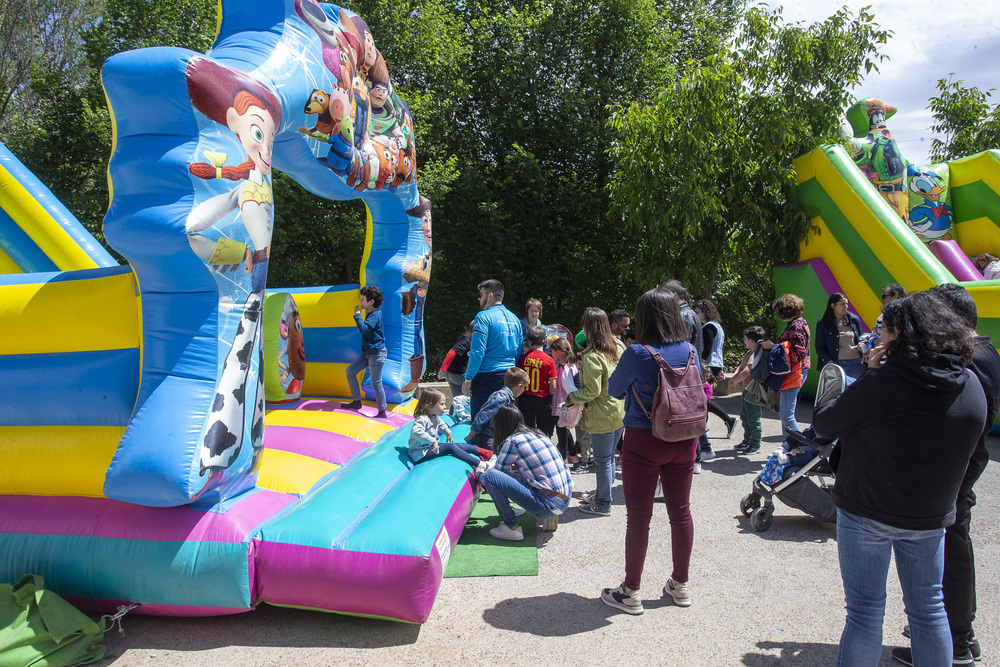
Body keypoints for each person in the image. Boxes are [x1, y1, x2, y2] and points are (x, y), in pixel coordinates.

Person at [812, 291, 987, 667]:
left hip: (867, 512)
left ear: (902, 334)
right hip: (930, 516)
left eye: (885, 331)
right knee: (929, 610)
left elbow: (825, 424)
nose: (880, 338)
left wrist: (872, 375)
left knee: (864, 614)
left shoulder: (886, 382)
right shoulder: (969, 384)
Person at [891, 284, 1000, 666]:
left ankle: (957, 640)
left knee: (950, 543)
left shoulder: (968, 358)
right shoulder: (987, 352)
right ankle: (949, 630)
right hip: (966, 460)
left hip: (952, 465)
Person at [599, 288, 701, 615]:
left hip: (644, 440)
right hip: (686, 439)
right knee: (680, 511)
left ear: (644, 317)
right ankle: (680, 585)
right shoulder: (690, 350)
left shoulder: (638, 353)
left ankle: (630, 591)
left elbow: (614, 390)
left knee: (639, 518)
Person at [477, 405, 573, 541]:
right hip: (564, 500)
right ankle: (511, 512)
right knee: (504, 475)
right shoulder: (538, 434)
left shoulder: (512, 441)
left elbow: (498, 474)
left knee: (490, 476)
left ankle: (511, 527)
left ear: (501, 425)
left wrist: (480, 474)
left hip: (548, 505)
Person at [565, 308, 625, 517]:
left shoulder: (592, 356)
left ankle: (603, 503)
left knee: (602, 460)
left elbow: (591, 391)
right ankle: (602, 494)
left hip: (601, 415)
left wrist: (571, 398)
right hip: (619, 410)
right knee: (608, 459)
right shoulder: (618, 345)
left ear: (586, 329)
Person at [463, 279, 523, 420]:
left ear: (490, 295)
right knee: (505, 424)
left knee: (482, 426)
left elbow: (477, 352)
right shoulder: (515, 319)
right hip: (509, 377)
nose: (479, 298)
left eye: (481, 295)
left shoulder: (483, 317)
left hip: (487, 378)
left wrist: (468, 379)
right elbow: (520, 351)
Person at [693, 299, 737, 460]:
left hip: (708, 366)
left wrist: (701, 366)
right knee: (705, 402)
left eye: (697, 312)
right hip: (715, 365)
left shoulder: (708, 327)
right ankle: (726, 421)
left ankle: (705, 446)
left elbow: (708, 348)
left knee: (702, 404)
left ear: (706, 312)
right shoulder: (717, 326)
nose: (696, 315)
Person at [762, 294, 810, 434]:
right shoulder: (798, 323)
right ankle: (787, 447)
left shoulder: (796, 326)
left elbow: (798, 353)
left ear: (784, 310)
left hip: (795, 373)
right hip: (797, 371)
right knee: (786, 416)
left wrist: (774, 347)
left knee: (786, 416)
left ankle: (800, 446)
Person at [408, 389, 491, 469]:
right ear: (430, 406)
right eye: (441, 404)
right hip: (420, 454)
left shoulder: (433, 416)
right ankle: (480, 464)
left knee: (457, 445)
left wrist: (448, 432)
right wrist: (432, 441)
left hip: (429, 448)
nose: (445, 407)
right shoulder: (422, 419)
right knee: (450, 447)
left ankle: (483, 452)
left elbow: (441, 424)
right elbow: (416, 432)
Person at [342, 285, 387, 419]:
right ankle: (356, 401)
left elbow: (363, 329)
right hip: (367, 353)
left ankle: (382, 411)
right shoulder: (371, 313)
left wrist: (357, 315)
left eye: (363, 299)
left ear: (371, 301)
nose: (361, 301)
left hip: (377, 353)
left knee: (375, 382)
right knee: (350, 372)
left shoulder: (375, 314)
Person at [466, 367, 529, 450]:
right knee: (494, 455)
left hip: (496, 435)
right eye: (524, 387)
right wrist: (474, 431)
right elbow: (485, 413)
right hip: (487, 436)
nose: (524, 390)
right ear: (519, 386)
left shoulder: (509, 397)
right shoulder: (502, 397)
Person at [730, 326, 766, 455]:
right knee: (745, 416)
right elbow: (741, 367)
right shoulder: (749, 353)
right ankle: (747, 440)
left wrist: (735, 380)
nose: (744, 341)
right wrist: (734, 377)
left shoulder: (756, 353)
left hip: (754, 391)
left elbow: (747, 370)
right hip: (747, 390)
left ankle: (755, 443)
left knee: (753, 417)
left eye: (745, 338)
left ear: (751, 340)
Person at [815, 292, 865, 381]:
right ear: (833, 305)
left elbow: (861, 338)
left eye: (846, 304)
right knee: (838, 392)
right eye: (842, 304)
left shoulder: (853, 319)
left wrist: (862, 345)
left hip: (855, 362)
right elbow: (819, 347)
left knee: (858, 392)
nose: (845, 307)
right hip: (836, 364)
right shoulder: (823, 323)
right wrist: (829, 362)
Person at [517, 326, 557, 436]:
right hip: (542, 399)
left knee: (527, 428)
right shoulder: (549, 360)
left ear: (529, 341)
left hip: (525, 397)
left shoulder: (522, 359)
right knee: (544, 430)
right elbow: (553, 385)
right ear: (544, 341)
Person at [549, 336, 580, 463]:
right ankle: (571, 453)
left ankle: (562, 458)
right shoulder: (571, 365)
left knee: (561, 432)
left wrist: (571, 402)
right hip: (564, 403)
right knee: (563, 430)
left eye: (552, 351)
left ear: (559, 352)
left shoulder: (564, 368)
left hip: (563, 405)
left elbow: (569, 387)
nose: (552, 354)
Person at [867, 284, 905, 365]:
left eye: (884, 296)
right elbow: (873, 335)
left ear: (895, 296)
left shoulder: (906, 317)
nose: (881, 300)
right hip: (883, 362)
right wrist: (876, 341)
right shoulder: (881, 317)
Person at [438, 321, 474, 402]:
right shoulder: (466, 341)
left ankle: (453, 414)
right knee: (476, 391)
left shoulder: (464, 338)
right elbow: (451, 353)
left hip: (451, 374)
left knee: (457, 400)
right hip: (459, 375)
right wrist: (442, 369)